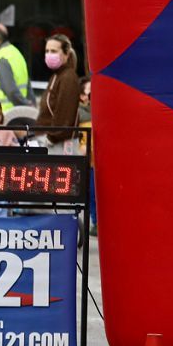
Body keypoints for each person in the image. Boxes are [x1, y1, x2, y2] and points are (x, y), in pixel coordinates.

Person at [36, 33, 80, 155]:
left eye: (54, 51)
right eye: (47, 51)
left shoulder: (68, 78)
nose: (49, 54)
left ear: (66, 53)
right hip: (50, 140)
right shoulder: (57, 75)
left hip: (58, 144)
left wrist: (51, 137)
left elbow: (65, 112)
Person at [0, 23, 34, 113]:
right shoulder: (16, 53)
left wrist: (26, 105)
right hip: (18, 113)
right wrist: (30, 106)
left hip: (4, 114)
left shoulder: (2, 59)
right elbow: (27, 84)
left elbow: (11, 91)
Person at [77, 76, 96, 235]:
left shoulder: (99, 111)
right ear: (82, 96)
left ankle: (96, 222)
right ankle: (94, 222)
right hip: (88, 162)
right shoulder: (79, 115)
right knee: (91, 194)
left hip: (99, 162)